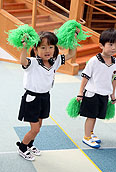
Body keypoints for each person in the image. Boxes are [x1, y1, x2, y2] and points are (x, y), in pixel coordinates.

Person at [17, 31, 77, 161]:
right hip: (32, 99)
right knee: (35, 129)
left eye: (51, 47)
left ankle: (30, 145)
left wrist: (73, 39)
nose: (47, 50)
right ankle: (22, 147)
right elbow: (22, 61)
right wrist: (24, 47)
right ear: (36, 49)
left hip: (45, 97)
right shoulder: (32, 62)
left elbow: (71, 54)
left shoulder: (54, 61)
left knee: (39, 125)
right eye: (43, 47)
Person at [76, 28, 116, 149]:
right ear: (101, 46)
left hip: (104, 94)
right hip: (92, 93)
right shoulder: (94, 61)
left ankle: (91, 133)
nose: (114, 47)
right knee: (91, 116)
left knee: (97, 115)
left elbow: (114, 79)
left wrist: (112, 95)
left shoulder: (115, 62)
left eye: (115, 44)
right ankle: (86, 136)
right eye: (110, 44)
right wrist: (80, 92)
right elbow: (85, 77)